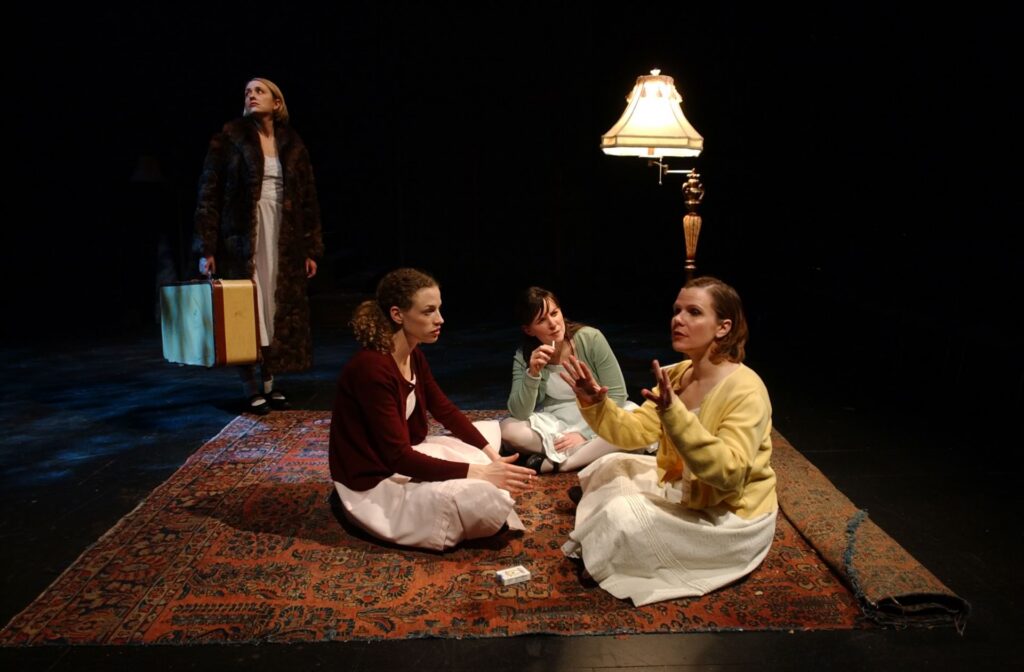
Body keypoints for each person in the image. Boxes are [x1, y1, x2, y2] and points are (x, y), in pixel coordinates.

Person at [559, 276, 777, 606]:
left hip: (729, 514)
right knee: (611, 464)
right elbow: (633, 432)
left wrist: (675, 415)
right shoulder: (677, 375)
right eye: (677, 310)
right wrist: (595, 402)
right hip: (687, 486)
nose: (678, 319)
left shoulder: (746, 389)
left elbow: (730, 474)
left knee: (622, 513)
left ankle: (613, 543)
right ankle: (613, 532)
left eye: (694, 312)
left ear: (723, 327)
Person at [328, 268, 535, 551]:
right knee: (477, 496)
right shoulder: (372, 369)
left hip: (398, 461)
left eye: (438, 309)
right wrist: (481, 473)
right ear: (397, 314)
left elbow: (444, 410)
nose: (440, 319)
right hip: (373, 483)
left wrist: (492, 456)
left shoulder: (413, 355)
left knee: (482, 441)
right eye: (428, 311)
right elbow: (398, 458)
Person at [193, 77, 324, 414]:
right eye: (247, 92)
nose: (251, 95)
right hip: (242, 237)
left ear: (276, 103)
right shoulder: (228, 139)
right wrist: (207, 247)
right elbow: (209, 193)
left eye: (259, 91)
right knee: (246, 308)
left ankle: (269, 381)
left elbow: (307, 199)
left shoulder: (292, 143)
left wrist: (309, 248)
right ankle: (249, 385)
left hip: (282, 234)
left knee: (273, 307)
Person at [500, 287, 653, 474]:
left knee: (635, 426)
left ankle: (560, 463)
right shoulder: (524, 355)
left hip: (599, 416)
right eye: (541, 320)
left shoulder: (590, 338)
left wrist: (585, 434)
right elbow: (519, 412)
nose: (553, 324)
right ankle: (588, 453)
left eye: (554, 313)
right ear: (528, 329)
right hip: (557, 424)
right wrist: (533, 373)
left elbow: (618, 394)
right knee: (508, 429)